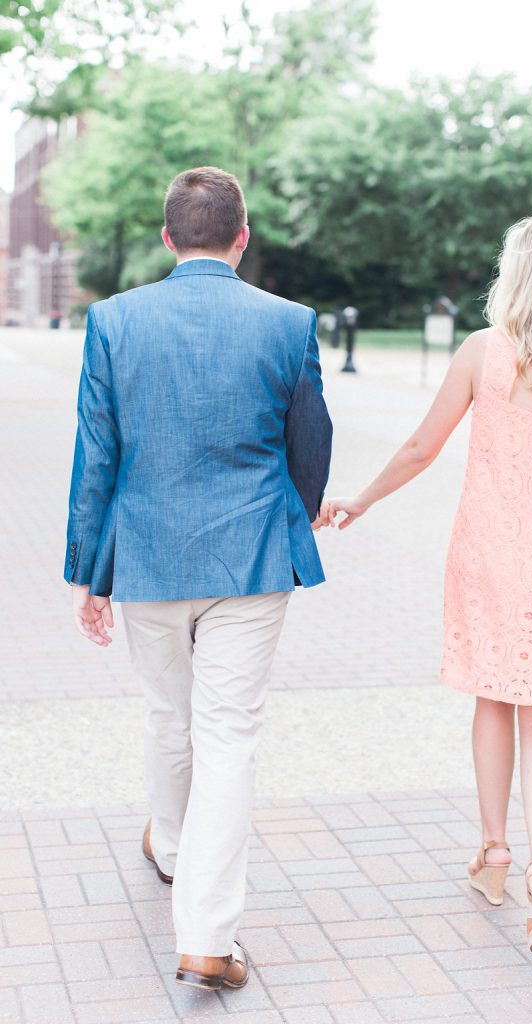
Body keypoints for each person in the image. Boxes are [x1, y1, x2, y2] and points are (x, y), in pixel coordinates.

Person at [323, 212, 532, 956]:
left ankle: (494, 853)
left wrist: (359, 499)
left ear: (516, 272)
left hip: (490, 555)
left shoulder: (481, 353)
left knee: (493, 697)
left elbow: (419, 447)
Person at [65, 167, 332, 989]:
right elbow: (310, 440)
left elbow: (97, 454)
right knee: (227, 736)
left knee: (165, 712)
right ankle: (207, 936)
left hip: (147, 555)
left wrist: (90, 572)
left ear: (167, 237)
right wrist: (300, 510)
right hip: (251, 556)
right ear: (242, 237)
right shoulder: (288, 323)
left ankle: (175, 851)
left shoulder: (113, 320)